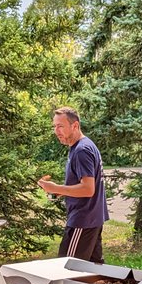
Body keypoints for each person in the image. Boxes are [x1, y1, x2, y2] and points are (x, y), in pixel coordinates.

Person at [38, 107, 109, 262]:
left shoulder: (82, 150)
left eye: (60, 126)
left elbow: (88, 189)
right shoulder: (83, 146)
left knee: (65, 268)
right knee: (93, 270)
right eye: (55, 126)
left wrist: (55, 187)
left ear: (75, 125)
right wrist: (60, 191)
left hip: (82, 221)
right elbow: (86, 184)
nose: (56, 131)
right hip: (92, 219)